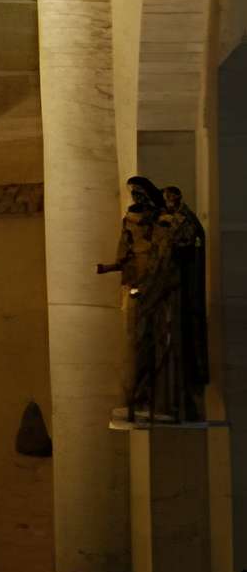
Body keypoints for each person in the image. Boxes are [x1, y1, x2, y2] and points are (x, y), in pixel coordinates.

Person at [98, 177, 164, 415]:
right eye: (133, 193)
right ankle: (135, 396)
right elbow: (124, 251)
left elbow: (162, 252)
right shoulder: (130, 220)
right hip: (134, 285)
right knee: (133, 343)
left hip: (154, 285)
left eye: (139, 193)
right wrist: (111, 267)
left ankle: (152, 395)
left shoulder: (159, 222)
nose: (135, 197)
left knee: (151, 340)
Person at [152, 185, 210, 421]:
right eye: (165, 199)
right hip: (168, 285)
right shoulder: (167, 218)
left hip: (182, 286)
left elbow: (186, 241)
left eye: (170, 198)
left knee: (182, 338)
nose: (167, 202)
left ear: (177, 198)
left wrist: (169, 226)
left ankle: (184, 401)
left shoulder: (185, 219)